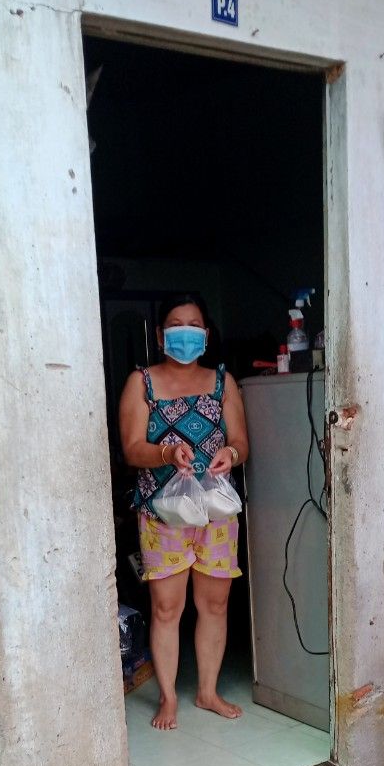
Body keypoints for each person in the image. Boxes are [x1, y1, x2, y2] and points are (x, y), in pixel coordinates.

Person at [119, 293, 249, 731]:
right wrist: (166, 453)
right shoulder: (141, 383)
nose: (186, 333)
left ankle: (208, 691)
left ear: (206, 335)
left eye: (194, 325)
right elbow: (131, 449)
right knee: (165, 608)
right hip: (164, 513)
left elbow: (242, 441)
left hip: (215, 510)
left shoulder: (223, 383)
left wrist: (231, 453)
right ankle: (169, 697)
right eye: (177, 325)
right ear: (161, 335)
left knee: (215, 604)